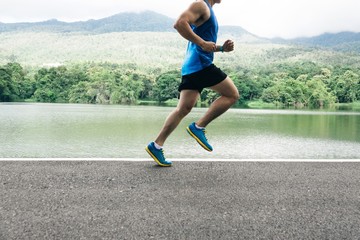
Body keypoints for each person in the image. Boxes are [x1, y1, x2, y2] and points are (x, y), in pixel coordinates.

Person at [145, 0, 239, 167]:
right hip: (201, 65)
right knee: (232, 95)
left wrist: (222, 49)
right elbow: (180, 23)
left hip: (191, 67)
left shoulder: (208, 10)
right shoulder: (201, 5)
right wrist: (202, 43)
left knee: (183, 109)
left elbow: (205, 45)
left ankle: (156, 145)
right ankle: (199, 126)